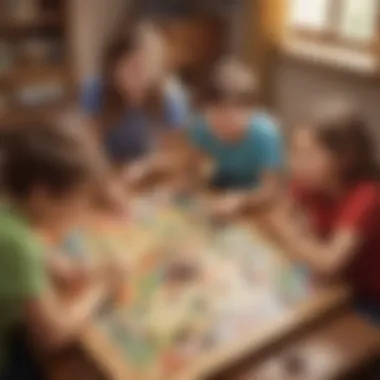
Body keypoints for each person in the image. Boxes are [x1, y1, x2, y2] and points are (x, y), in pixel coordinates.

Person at [0, 122, 117, 379]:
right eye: (75, 200)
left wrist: (58, 263)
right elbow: (52, 336)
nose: (79, 210)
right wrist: (102, 289)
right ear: (40, 196)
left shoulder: (8, 200)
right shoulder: (18, 244)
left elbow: (26, 242)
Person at [264, 101, 380, 324]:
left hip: (369, 295)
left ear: (344, 158)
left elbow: (329, 261)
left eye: (308, 153)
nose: (294, 162)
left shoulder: (367, 195)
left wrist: (295, 236)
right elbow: (278, 214)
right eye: (294, 150)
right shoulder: (308, 181)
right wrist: (303, 242)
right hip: (335, 284)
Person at [186, 60, 283, 217]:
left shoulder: (266, 135)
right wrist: (196, 188)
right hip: (218, 189)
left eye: (232, 116)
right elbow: (191, 168)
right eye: (216, 115)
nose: (224, 124)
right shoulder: (201, 126)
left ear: (251, 111)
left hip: (253, 198)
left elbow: (270, 190)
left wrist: (240, 200)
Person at [80, 26, 188, 166]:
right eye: (132, 65)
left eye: (148, 66)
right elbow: (90, 148)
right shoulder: (95, 90)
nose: (140, 75)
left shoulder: (171, 96)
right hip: (106, 169)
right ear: (113, 66)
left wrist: (143, 171)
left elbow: (175, 153)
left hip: (150, 171)